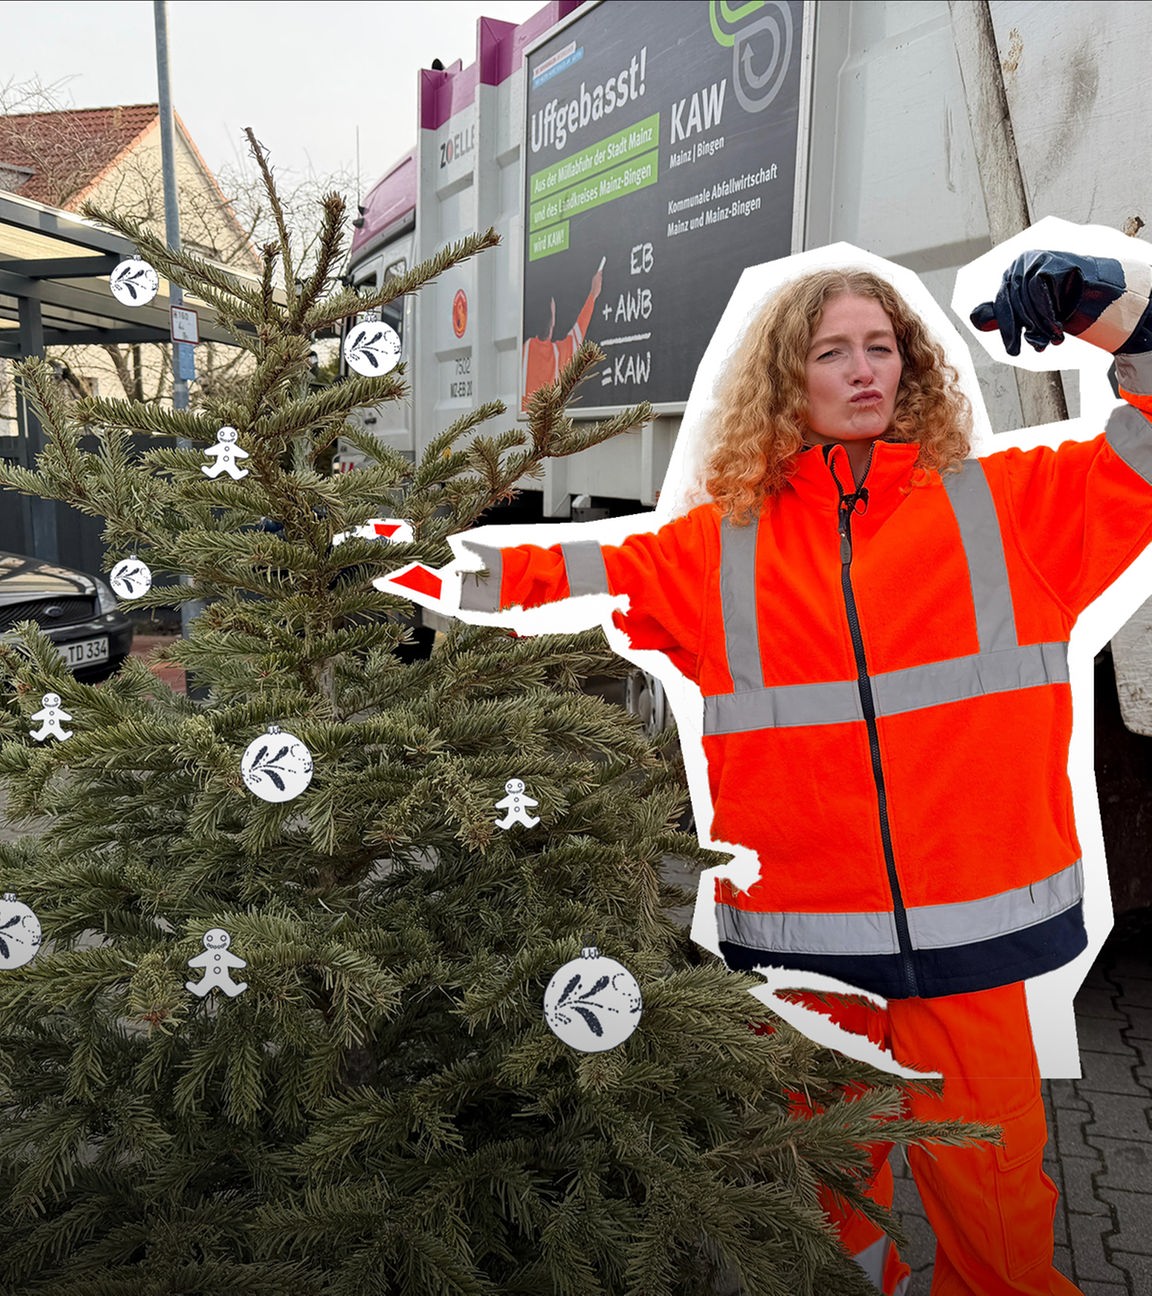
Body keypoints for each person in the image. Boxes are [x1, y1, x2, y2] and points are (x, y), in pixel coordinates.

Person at [383, 244, 1152, 1294]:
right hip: (805, 957)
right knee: (829, 1222)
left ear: (914, 366)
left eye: (881, 346)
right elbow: (560, 569)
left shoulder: (1011, 511)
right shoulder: (719, 552)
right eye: (832, 351)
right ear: (789, 381)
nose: (863, 369)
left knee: (1002, 1218)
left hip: (976, 940)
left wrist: (1118, 314)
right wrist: (393, 559)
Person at [521, 261, 604, 409]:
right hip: (546, 426)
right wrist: (593, 294)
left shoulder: (524, 350)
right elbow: (578, 331)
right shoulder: (558, 354)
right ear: (552, 320)